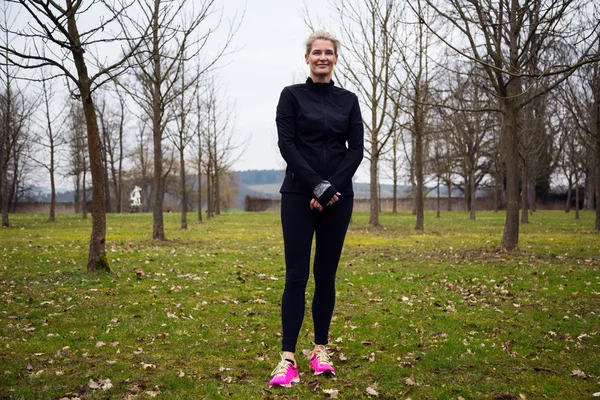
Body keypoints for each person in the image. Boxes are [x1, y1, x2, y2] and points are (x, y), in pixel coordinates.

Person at [269, 30, 364, 388]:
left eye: (328, 53)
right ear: (307, 58)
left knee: (326, 275)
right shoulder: (291, 96)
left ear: (335, 58)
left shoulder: (349, 100)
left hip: (339, 197)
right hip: (298, 194)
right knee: (296, 276)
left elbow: (355, 150)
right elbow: (287, 144)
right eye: (316, 52)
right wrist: (315, 186)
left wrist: (330, 188)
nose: (322, 57)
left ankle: (320, 349)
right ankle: (287, 358)